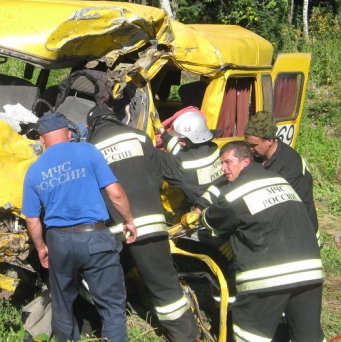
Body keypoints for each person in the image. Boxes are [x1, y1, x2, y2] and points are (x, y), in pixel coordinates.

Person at [187, 141, 325, 342]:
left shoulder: (236, 193)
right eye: (221, 164)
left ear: (244, 161)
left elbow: (212, 219)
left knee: (250, 335)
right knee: (308, 336)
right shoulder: (278, 180)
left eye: (227, 162)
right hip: (309, 271)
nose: (223, 168)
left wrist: (199, 213)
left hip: (268, 276)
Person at [85, 105, 199, 342]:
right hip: (149, 224)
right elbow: (160, 172)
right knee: (164, 284)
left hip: (111, 230)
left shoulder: (88, 149)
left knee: (102, 281)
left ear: (89, 126)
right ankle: (185, 336)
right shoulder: (138, 136)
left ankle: (101, 330)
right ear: (116, 118)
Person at [22, 112, 137, 342]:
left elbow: (32, 219)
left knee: (63, 303)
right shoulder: (87, 151)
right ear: (68, 133)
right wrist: (129, 220)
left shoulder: (33, 172)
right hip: (95, 238)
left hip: (59, 243)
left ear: (42, 140)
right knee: (112, 305)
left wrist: (42, 247)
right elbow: (114, 193)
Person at [243, 111, 320, 242]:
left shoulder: (290, 165)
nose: (249, 149)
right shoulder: (257, 156)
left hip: (300, 235)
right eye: (247, 144)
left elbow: (283, 209)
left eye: (253, 145)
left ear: (270, 140)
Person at [160, 111, 223, 211]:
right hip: (218, 204)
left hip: (201, 212)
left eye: (181, 137)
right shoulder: (213, 149)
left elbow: (154, 157)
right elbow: (182, 152)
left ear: (193, 138)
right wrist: (162, 132)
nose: (177, 140)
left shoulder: (181, 164)